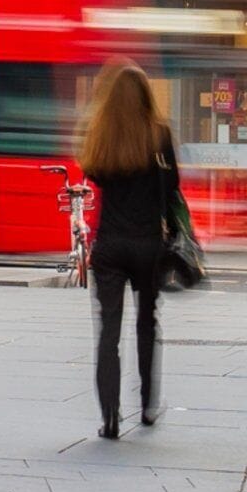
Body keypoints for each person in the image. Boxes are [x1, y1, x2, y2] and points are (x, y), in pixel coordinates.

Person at [77, 60, 186, 439]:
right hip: (148, 244)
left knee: (108, 331)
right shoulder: (159, 134)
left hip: (110, 244)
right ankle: (148, 407)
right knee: (146, 324)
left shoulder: (101, 134)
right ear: (144, 95)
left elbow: (94, 175)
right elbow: (171, 185)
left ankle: (109, 416)